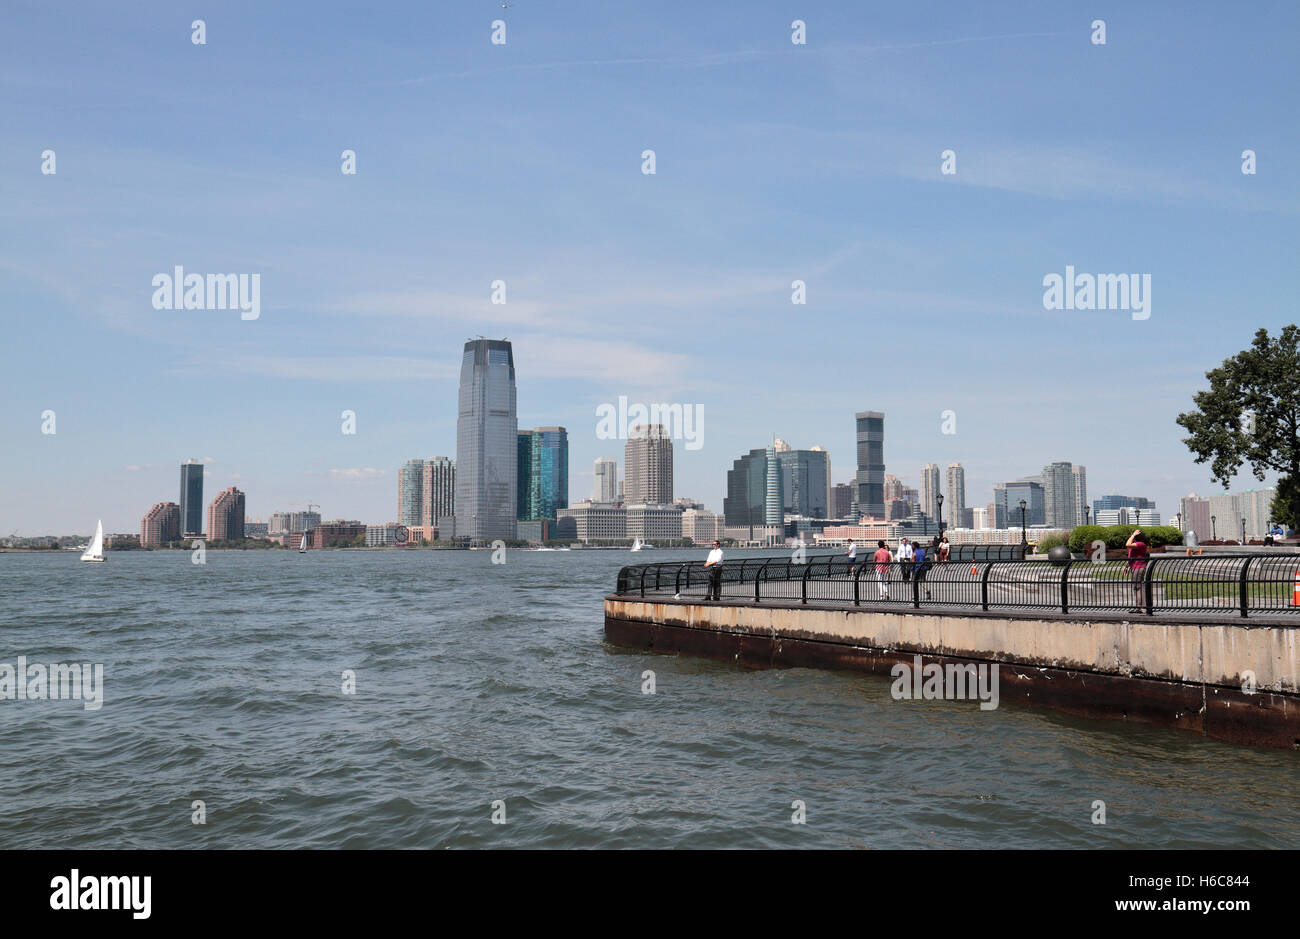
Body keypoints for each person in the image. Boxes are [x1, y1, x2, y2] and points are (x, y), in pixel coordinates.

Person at [1126, 528, 1148, 613]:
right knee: (1136, 587)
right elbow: (1132, 556)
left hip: (1139, 567)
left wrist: (1133, 535)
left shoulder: (1141, 544)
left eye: (1134, 535)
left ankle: (1142, 607)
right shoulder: (1135, 544)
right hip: (1134, 567)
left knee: (1139, 587)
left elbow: (1127, 544)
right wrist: (1127, 566)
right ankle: (1139, 607)